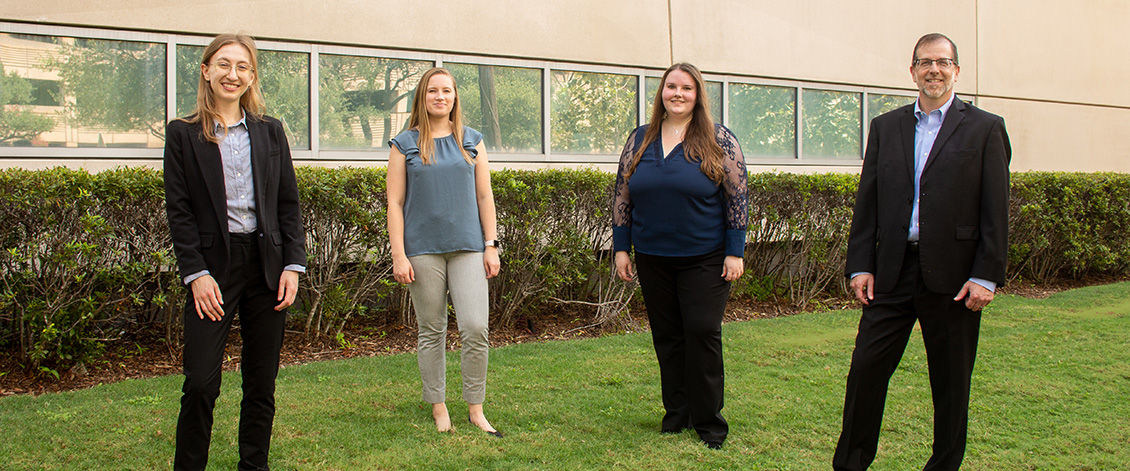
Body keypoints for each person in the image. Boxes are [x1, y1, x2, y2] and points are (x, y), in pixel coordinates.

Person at [833, 33, 1011, 471]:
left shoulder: (986, 127)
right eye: (925, 62)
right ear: (911, 70)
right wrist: (860, 265)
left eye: (943, 62)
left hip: (955, 279)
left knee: (951, 384)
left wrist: (986, 275)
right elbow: (867, 201)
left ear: (956, 70)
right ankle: (851, 464)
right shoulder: (886, 126)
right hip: (891, 272)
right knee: (865, 373)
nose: (934, 69)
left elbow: (996, 209)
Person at [163, 34, 307, 471]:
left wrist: (294, 264)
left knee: (261, 383)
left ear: (252, 76)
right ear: (206, 70)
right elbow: (180, 211)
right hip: (213, 270)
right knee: (202, 383)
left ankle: (254, 466)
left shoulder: (270, 131)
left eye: (242, 66)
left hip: (268, 268)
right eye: (224, 64)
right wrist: (196, 274)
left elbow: (288, 203)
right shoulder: (183, 134)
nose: (233, 74)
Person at [612, 62, 748, 450]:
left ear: (697, 95)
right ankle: (677, 414)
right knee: (668, 338)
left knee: (702, 332)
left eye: (686, 88)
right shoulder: (640, 138)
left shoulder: (719, 139)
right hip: (653, 256)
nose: (677, 94)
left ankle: (709, 422)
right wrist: (622, 247)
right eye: (671, 87)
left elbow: (737, 197)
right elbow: (623, 193)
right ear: (661, 93)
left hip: (705, 257)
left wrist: (734, 252)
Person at [387, 67, 503, 437]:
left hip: (469, 247)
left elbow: (484, 196)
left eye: (447, 91)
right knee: (432, 329)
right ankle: (438, 406)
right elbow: (395, 202)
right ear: (422, 97)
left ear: (455, 98)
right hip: (421, 250)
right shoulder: (404, 144)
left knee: (475, 327)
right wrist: (398, 255)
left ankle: (475, 408)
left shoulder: (471, 140)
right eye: (433, 91)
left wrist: (491, 245)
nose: (440, 97)